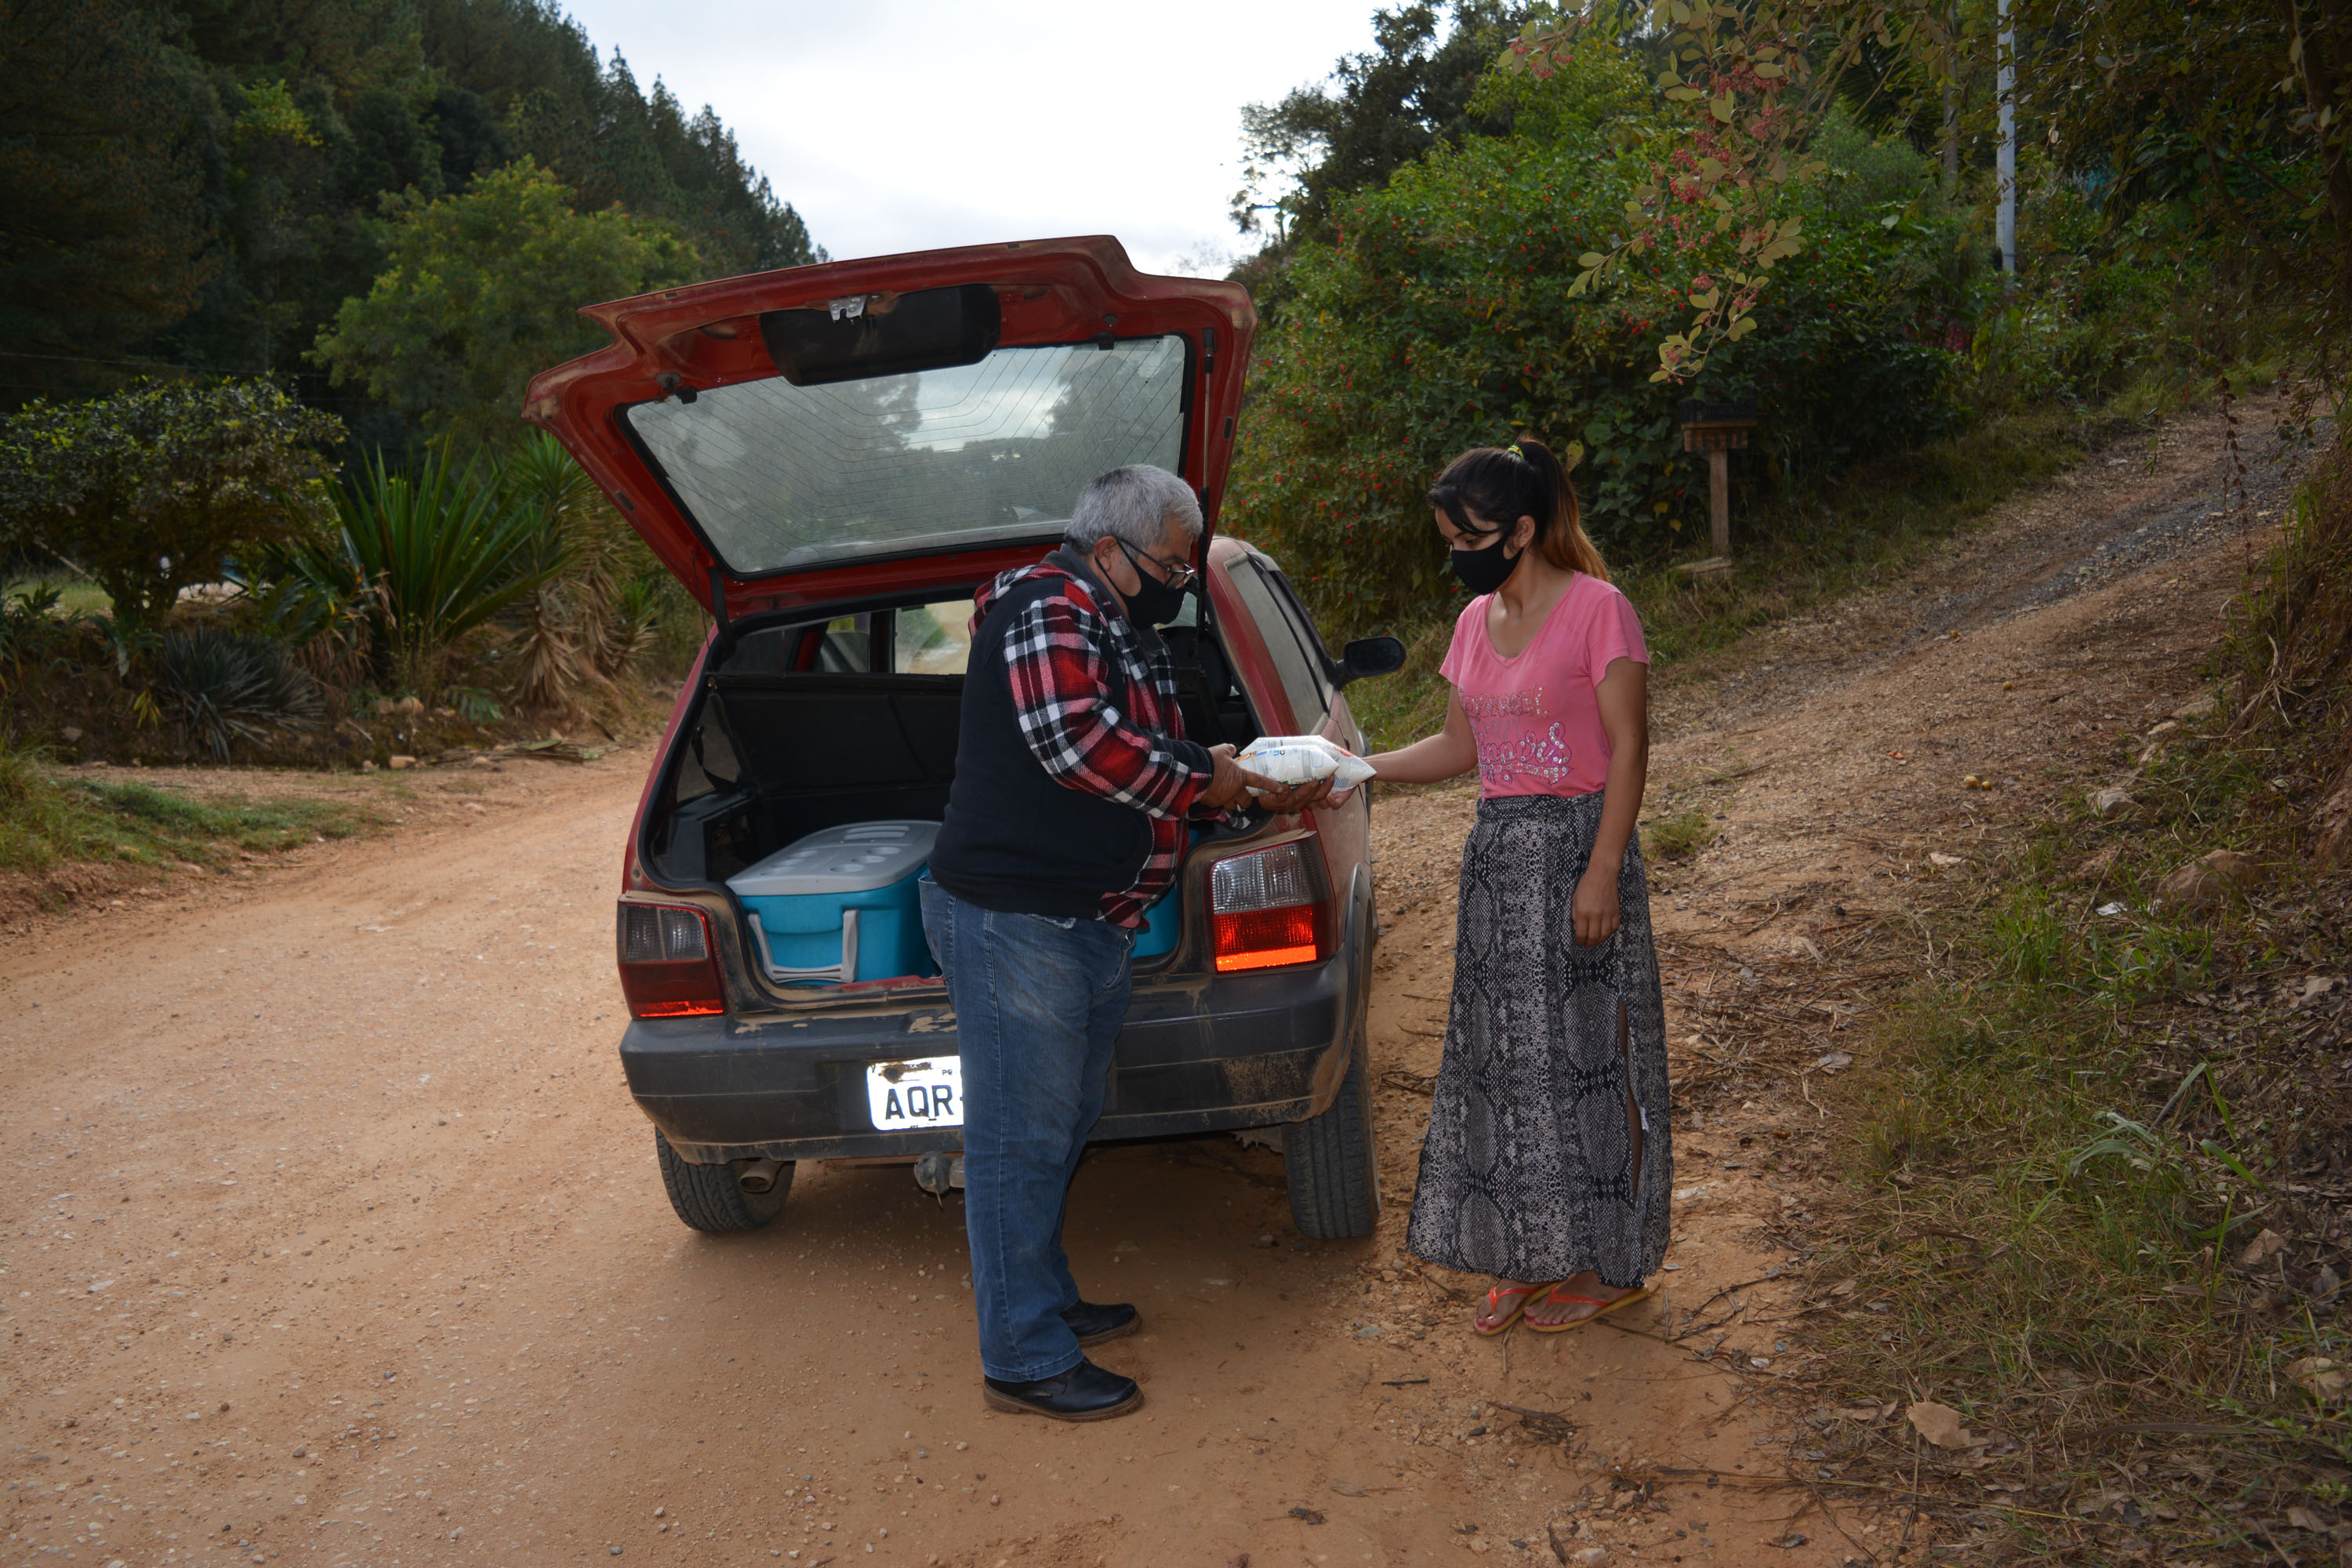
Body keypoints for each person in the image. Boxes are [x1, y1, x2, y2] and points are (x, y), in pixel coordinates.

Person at [922, 464, 1331, 1421]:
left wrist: (1234, 785)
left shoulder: (1114, 618)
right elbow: (1079, 747)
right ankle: (1021, 1355)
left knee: (1061, 1122)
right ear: (1109, 549)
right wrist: (1216, 778)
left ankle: (1044, 1297)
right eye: (1173, 565)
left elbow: (1150, 761)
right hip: (1018, 921)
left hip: (1087, 918)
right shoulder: (1051, 606)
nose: (1180, 582)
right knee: (1017, 1140)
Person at [1359, 439, 1672, 1334]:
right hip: (1498, 862)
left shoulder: (1599, 611)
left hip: (1579, 848)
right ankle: (1536, 1251)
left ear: (1525, 528)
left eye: (1472, 532)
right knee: (1507, 1064)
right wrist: (1356, 765)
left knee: (1592, 1057)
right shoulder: (1473, 624)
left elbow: (1629, 748)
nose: (1457, 547)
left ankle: (1608, 1263)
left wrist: (1603, 867)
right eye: (1449, 534)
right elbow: (1461, 747)